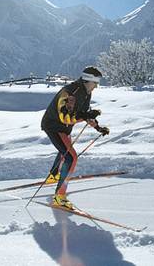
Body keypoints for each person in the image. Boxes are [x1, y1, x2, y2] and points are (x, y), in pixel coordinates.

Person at [41, 66, 109, 209]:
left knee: (64, 151)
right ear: (87, 80)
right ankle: (59, 197)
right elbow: (65, 117)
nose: (96, 86)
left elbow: (83, 113)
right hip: (54, 126)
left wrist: (98, 127)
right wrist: (85, 116)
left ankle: (53, 176)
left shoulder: (86, 93)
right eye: (95, 82)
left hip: (64, 129)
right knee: (71, 157)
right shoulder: (70, 92)